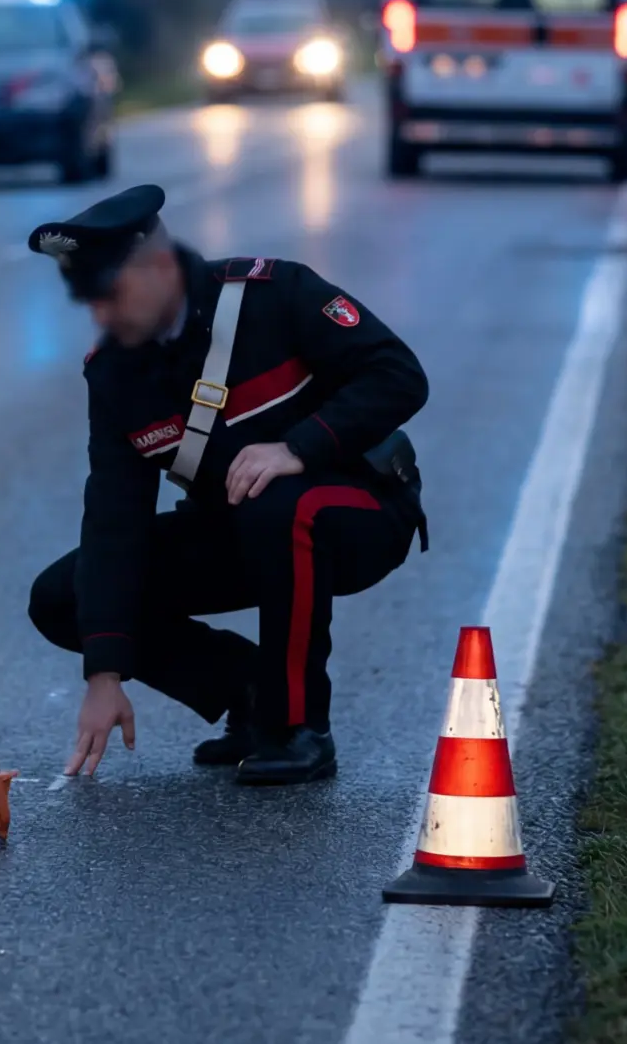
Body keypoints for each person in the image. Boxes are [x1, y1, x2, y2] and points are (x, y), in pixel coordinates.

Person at [26, 184, 429, 786]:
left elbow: (400, 375)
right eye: (89, 299)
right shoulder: (115, 374)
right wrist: (103, 675)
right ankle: (251, 695)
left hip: (358, 510)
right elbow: (115, 522)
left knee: (280, 504)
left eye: (111, 292)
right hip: (241, 527)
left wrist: (300, 446)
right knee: (63, 597)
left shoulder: (275, 295)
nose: (102, 315)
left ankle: (297, 728)